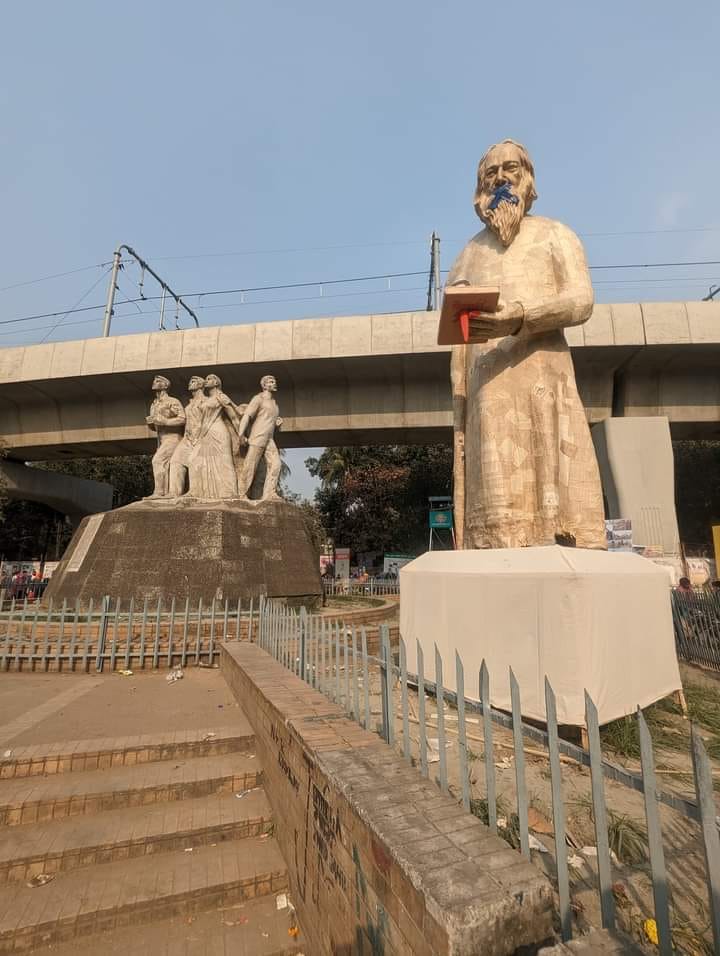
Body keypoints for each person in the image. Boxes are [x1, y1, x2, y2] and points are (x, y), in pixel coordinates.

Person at [447, 140, 606, 551]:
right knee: (496, 500)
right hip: (487, 392)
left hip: (544, 378)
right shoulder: (467, 254)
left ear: (528, 177)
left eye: (510, 169)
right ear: (480, 187)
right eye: (490, 173)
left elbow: (581, 300)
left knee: (554, 484)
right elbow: (457, 334)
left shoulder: (556, 235)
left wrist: (518, 317)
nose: (500, 178)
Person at [190, 374, 242, 499]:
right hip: (205, 434)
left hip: (219, 432)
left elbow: (233, 417)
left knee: (225, 462)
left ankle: (230, 493)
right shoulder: (206, 399)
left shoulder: (221, 397)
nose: (206, 381)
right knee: (197, 461)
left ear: (216, 383)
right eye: (206, 379)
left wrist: (241, 434)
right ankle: (206, 494)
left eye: (209, 379)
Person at [237, 375, 283, 500]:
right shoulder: (258, 399)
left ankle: (270, 493)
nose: (274, 383)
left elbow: (270, 422)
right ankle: (242, 494)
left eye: (274, 381)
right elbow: (247, 416)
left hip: (269, 439)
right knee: (250, 465)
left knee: (276, 464)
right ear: (264, 385)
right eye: (271, 381)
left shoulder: (275, 404)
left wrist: (277, 424)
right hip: (258, 437)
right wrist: (241, 434)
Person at [146, 376, 186, 497]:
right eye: (154, 380)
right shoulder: (154, 404)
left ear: (165, 386)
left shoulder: (172, 401)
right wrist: (152, 424)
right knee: (166, 465)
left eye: (158, 381)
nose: (154, 382)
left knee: (157, 461)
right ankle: (166, 492)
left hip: (173, 438)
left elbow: (182, 418)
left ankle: (159, 492)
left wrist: (165, 422)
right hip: (161, 440)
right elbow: (156, 426)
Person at [168, 376, 206, 497]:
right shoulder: (189, 404)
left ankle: (194, 491)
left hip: (201, 438)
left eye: (193, 381)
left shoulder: (206, 401)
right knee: (176, 460)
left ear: (201, 385)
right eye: (190, 381)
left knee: (193, 460)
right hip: (187, 438)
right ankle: (174, 492)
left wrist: (200, 436)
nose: (190, 383)